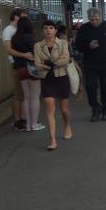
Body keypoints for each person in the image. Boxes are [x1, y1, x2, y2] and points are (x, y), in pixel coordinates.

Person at [75, 8, 106, 121]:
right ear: (88, 19)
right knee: (90, 87)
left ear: (101, 17)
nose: (94, 22)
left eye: (97, 19)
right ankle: (95, 108)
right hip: (90, 64)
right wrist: (88, 46)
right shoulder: (84, 28)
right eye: (92, 20)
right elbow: (78, 46)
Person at [34, 20, 72, 151]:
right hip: (46, 79)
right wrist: (50, 64)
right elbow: (37, 64)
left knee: (64, 109)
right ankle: (52, 139)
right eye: (45, 28)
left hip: (61, 77)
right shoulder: (38, 46)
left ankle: (67, 126)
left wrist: (49, 63)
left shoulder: (63, 43)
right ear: (42, 31)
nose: (48, 30)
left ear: (55, 30)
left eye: (51, 28)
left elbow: (66, 60)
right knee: (49, 109)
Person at [10, 17, 45, 132]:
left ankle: (28, 125)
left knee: (26, 97)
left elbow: (13, 54)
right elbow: (37, 54)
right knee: (35, 97)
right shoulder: (30, 38)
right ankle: (34, 124)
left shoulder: (14, 38)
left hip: (20, 69)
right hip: (32, 69)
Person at [2, 8, 32, 131]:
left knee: (24, 93)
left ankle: (24, 119)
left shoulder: (18, 30)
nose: (25, 20)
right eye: (23, 17)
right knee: (18, 93)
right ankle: (17, 121)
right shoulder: (8, 30)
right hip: (15, 64)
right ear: (15, 17)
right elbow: (8, 50)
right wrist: (24, 55)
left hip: (23, 64)